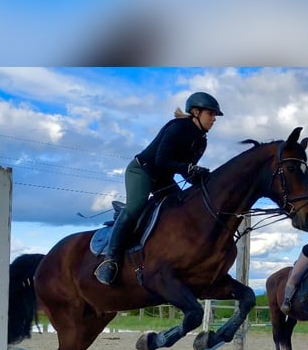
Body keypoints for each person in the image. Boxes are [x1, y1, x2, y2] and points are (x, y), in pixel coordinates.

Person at [95, 91, 223, 285]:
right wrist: (188, 168)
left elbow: (185, 172)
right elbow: (161, 160)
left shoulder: (201, 141)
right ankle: (110, 260)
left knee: (182, 209)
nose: (214, 119)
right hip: (143, 171)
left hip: (164, 177)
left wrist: (200, 180)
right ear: (196, 112)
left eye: (215, 115)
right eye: (211, 114)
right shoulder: (177, 127)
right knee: (136, 207)